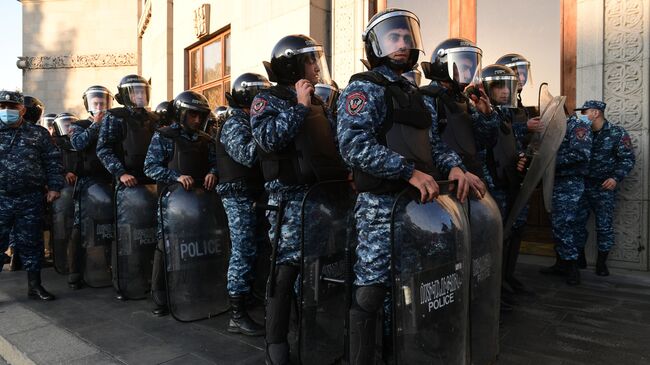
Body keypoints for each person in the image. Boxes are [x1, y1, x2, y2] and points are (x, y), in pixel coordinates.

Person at [337, 9, 469, 363]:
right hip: (381, 206)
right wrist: (407, 171)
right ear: (377, 44)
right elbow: (353, 145)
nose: (401, 43)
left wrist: (455, 169)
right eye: (393, 37)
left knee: (412, 285)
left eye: (406, 37)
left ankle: (402, 353)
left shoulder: (416, 93)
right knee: (372, 289)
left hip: (419, 208)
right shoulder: (364, 88)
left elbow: (435, 145)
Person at [251, 34, 348, 364]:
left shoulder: (319, 100)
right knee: (286, 268)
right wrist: (299, 107)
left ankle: (316, 328)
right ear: (292, 65)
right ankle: (275, 341)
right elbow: (268, 138)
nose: (316, 67)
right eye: (310, 60)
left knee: (322, 266)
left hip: (322, 199)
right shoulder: (267, 100)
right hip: (288, 202)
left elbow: (333, 144)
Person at [144, 90, 217, 316]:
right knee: (167, 245)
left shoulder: (206, 140)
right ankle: (160, 296)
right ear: (181, 114)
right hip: (172, 204)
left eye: (200, 116)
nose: (196, 120)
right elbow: (150, 167)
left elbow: (216, 163)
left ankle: (195, 287)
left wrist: (213, 172)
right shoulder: (164, 136)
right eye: (192, 115)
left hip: (200, 204)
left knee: (198, 245)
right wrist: (175, 176)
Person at [216, 72, 271, 336]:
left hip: (254, 195)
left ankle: (250, 298)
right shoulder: (235, 123)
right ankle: (236, 315)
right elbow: (248, 155)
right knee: (243, 251)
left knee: (258, 248)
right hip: (238, 197)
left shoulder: (251, 121)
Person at [96, 74, 159, 300]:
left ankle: (151, 280)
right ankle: (123, 282)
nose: (140, 95)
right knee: (127, 236)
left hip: (152, 185)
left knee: (150, 234)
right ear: (125, 95)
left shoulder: (153, 118)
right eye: (135, 91)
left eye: (143, 91)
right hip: (128, 187)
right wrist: (120, 173)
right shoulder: (114, 117)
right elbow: (104, 149)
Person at [0, 90, 63, 300]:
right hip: (1, 198)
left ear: (22, 109)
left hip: (30, 198)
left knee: (32, 242)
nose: (6, 110)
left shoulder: (38, 133)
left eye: (11, 107)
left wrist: (54, 186)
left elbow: (52, 161)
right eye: (2, 107)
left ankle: (35, 287)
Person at [575, 100, 635, 276]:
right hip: (582, 185)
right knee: (577, 223)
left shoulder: (617, 133)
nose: (582, 115)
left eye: (585, 112)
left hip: (603, 187)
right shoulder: (580, 133)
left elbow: (628, 158)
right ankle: (580, 259)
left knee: (604, 226)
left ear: (596, 113)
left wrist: (615, 178)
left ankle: (601, 263)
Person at [66, 86, 114, 289]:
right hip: (87, 184)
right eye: (95, 103)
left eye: (103, 102)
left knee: (110, 225)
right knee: (81, 227)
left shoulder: (113, 124)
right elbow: (78, 143)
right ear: (88, 104)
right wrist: (95, 125)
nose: (100, 106)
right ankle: (75, 272)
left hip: (109, 181)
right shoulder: (80, 125)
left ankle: (110, 268)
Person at [540, 113, 592, 285]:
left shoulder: (577, 126)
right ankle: (561, 263)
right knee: (558, 224)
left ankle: (572, 267)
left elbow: (580, 154)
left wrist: (548, 160)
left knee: (564, 224)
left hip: (570, 183)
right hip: (556, 182)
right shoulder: (554, 128)